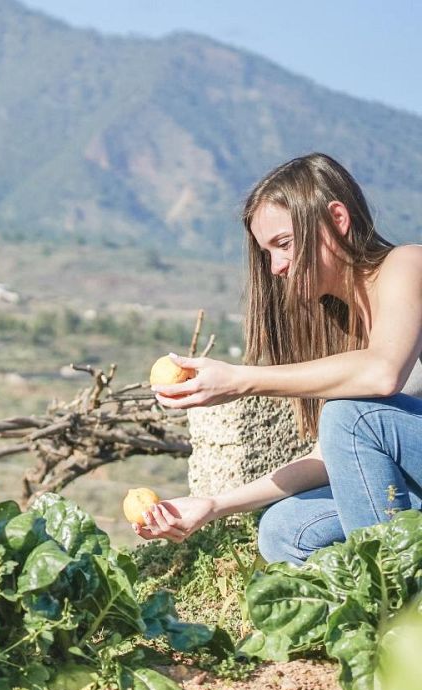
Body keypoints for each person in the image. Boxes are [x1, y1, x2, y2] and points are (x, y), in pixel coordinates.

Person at [137, 153, 422, 562]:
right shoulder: (340, 323)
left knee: (348, 415)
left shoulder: (408, 264)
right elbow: (337, 455)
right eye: (266, 251)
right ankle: (365, 609)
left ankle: (393, 599)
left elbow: (384, 373)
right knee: (285, 528)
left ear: (336, 219)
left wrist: (241, 380)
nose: (275, 267)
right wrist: (214, 505)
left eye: (283, 244)